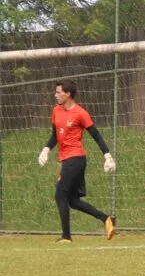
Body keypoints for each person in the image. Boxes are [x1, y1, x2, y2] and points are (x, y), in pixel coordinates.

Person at [38, 80, 117, 243]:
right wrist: (46, 149)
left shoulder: (80, 113)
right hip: (67, 159)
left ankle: (66, 237)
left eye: (58, 92)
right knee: (72, 201)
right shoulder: (56, 111)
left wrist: (107, 155)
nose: (55, 95)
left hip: (76, 158)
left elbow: (96, 135)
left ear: (68, 94)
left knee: (60, 194)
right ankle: (106, 219)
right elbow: (55, 135)